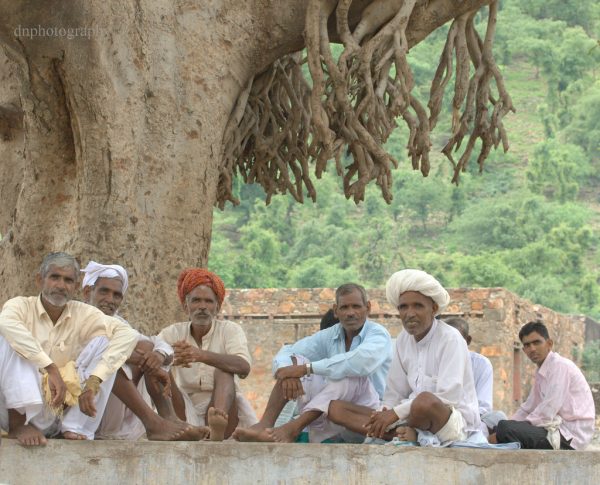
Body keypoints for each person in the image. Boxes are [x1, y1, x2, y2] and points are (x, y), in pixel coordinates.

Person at [328, 270, 482, 446]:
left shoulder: (450, 338)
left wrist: (395, 414)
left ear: (433, 308)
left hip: (451, 423)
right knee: (337, 409)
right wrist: (382, 416)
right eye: (403, 307)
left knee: (424, 401)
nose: (410, 313)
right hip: (409, 417)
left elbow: (448, 397)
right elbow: (394, 393)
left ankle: (408, 434)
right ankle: (402, 434)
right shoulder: (403, 339)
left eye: (418, 306)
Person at [0, 252, 139, 446]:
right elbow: (5, 323)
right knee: (9, 338)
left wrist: (94, 380)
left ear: (75, 287)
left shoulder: (83, 313)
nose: (61, 285)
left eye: (68, 280)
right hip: (13, 409)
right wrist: (50, 368)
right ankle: (18, 425)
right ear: (40, 280)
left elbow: (127, 334)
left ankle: (75, 426)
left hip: (57, 407)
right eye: (54, 277)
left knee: (108, 340)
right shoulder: (20, 306)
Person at [233, 283, 392, 443]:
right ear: (336, 311)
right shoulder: (331, 334)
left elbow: (359, 363)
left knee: (347, 376)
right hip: (331, 412)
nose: (350, 313)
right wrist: (288, 372)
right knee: (295, 362)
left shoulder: (378, 334)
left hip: (370, 415)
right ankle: (265, 425)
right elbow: (288, 351)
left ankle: (293, 428)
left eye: (356, 306)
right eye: (344, 308)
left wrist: (307, 369)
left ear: (368, 307)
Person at [81, 261, 207, 441]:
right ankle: (153, 423)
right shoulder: (75, 316)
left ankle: (168, 418)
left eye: (116, 295)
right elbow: (93, 352)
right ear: (87, 292)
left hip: (110, 410)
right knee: (112, 360)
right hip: (81, 400)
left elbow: (158, 344)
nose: (110, 299)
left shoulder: (119, 324)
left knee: (150, 350)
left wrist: (157, 356)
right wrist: (134, 356)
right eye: (104, 291)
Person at [158, 268, 257, 441]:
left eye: (208, 301)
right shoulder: (171, 333)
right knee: (160, 370)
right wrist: (170, 359)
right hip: (183, 407)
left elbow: (243, 367)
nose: (202, 306)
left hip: (223, 408)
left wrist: (200, 355)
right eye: (196, 300)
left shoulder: (230, 330)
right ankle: (179, 426)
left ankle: (216, 430)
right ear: (185, 306)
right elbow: (152, 360)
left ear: (217, 307)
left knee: (225, 370)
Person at [492, 321, 595, 450]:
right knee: (499, 426)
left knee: (506, 429)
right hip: (555, 429)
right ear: (523, 350)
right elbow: (528, 408)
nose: (532, 349)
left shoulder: (559, 366)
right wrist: (509, 424)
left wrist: (510, 428)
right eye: (527, 345)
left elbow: (547, 411)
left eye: (536, 342)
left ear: (549, 344)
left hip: (570, 435)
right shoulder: (542, 372)